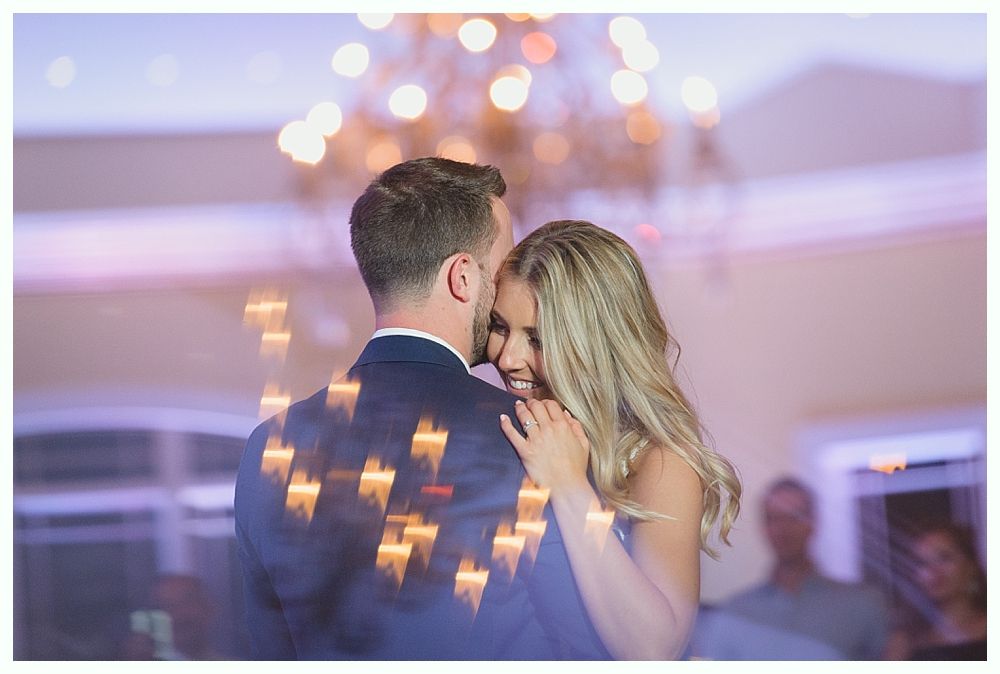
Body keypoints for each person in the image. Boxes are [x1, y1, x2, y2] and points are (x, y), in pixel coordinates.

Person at [234, 158, 607, 659]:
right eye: (505, 266)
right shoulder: (531, 436)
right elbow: (590, 643)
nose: (513, 283)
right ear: (463, 277)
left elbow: (270, 651)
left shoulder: (269, 448)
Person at [487, 219, 742, 660]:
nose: (507, 358)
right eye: (499, 327)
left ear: (596, 345)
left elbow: (654, 649)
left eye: (538, 339)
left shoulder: (659, 463)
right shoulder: (507, 435)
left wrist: (569, 487)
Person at [691, 477, 889, 659]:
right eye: (773, 518)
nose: (783, 529)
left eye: (793, 517)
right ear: (764, 527)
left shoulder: (863, 605)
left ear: (814, 522)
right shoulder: (734, 612)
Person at [883, 523, 986, 660]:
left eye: (944, 558)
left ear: (970, 566)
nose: (933, 571)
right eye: (922, 563)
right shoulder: (904, 640)